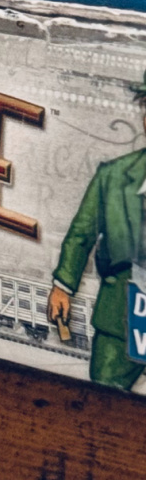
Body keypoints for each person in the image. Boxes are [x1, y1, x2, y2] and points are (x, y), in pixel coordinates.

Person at [47, 86, 146, 391]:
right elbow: (81, 233)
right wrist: (63, 287)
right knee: (103, 399)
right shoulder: (113, 177)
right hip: (122, 315)